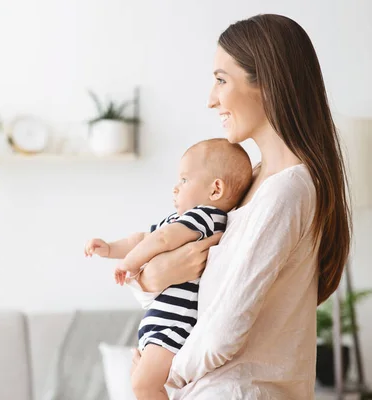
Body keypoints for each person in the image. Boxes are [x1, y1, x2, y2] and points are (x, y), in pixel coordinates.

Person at [130, 14, 352, 399]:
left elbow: (223, 332)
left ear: (266, 82)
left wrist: (162, 377)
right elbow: (186, 287)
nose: (211, 98)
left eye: (221, 80)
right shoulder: (251, 182)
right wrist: (150, 279)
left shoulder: (286, 191)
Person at [85, 139, 252, 400]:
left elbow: (161, 240)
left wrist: (129, 264)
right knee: (142, 384)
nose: (175, 188)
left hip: (174, 326)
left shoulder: (206, 216)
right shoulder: (180, 221)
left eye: (184, 180)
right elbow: (142, 239)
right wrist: (110, 248)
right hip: (161, 325)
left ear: (215, 189)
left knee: (143, 386)